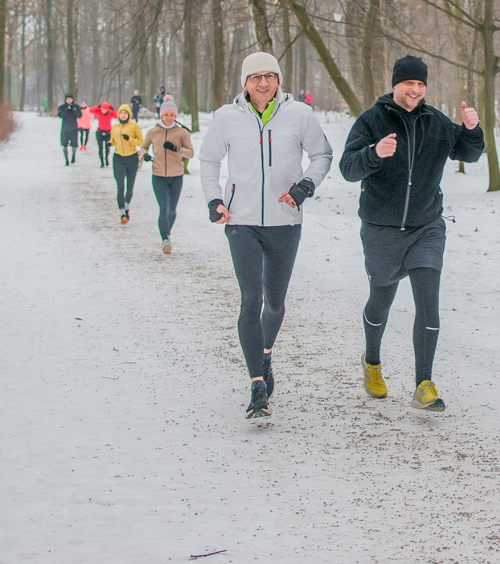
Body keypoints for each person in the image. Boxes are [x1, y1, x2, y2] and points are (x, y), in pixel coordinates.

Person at [338, 55, 483, 413]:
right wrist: (374, 153)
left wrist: (472, 128)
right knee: (381, 300)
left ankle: (424, 383)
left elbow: (469, 152)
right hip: (381, 229)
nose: (415, 90)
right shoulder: (371, 121)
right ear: (395, 84)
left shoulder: (436, 123)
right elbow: (347, 168)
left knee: (427, 302)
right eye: (408, 84)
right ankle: (372, 361)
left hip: (426, 227)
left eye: (421, 84)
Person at [200, 51, 332, 419]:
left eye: (269, 76)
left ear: (278, 81)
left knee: (274, 302)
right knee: (250, 298)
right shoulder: (226, 118)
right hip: (240, 220)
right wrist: (214, 199)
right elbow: (209, 160)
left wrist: (306, 185)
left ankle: (265, 353)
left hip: (285, 220)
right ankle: (257, 385)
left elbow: (323, 155)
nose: (263, 83)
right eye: (255, 77)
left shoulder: (300, 115)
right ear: (244, 83)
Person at [142, 101, 194, 253]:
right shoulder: (153, 132)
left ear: (175, 116)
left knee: (172, 210)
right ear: (161, 115)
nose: (169, 118)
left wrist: (176, 149)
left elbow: (190, 152)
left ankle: (167, 233)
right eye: (166, 115)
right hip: (158, 175)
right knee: (164, 208)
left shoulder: (181, 133)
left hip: (176, 176)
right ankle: (165, 239)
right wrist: (144, 154)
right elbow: (144, 146)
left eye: (172, 115)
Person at [109, 104, 144, 223]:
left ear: (129, 115)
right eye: (121, 113)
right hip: (118, 158)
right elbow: (113, 141)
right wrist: (110, 143)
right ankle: (122, 213)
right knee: (120, 186)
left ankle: (127, 206)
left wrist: (130, 139)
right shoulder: (115, 127)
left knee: (129, 187)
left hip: (132, 158)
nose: (123, 115)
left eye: (125, 113)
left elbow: (141, 142)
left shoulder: (134, 127)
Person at [90, 101, 120, 167]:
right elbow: (91, 110)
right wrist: (98, 106)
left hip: (108, 133)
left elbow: (117, 116)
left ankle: (106, 158)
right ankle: (102, 162)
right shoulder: (98, 111)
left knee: (107, 148)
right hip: (99, 132)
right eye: (102, 109)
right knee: (100, 148)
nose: (103, 111)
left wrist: (113, 109)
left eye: (105, 110)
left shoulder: (110, 113)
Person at [56, 94, 81, 165]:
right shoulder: (62, 107)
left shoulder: (76, 107)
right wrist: (66, 109)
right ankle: (66, 160)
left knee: (74, 145)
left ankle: (73, 156)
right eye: (68, 99)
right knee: (64, 145)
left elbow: (79, 115)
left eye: (70, 99)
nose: (69, 100)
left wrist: (73, 110)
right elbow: (60, 115)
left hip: (74, 129)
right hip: (65, 129)